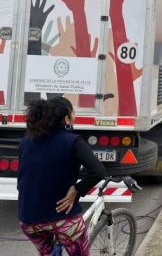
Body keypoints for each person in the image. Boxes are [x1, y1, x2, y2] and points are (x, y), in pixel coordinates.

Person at [18, 97, 106, 256]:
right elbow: (98, 171)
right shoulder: (73, 141)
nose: (75, 116)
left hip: (29, 220)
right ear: (66, 118)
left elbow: (22, 181)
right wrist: (76, 189)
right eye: (73, 113)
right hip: (63, 219)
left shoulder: (25, 141)